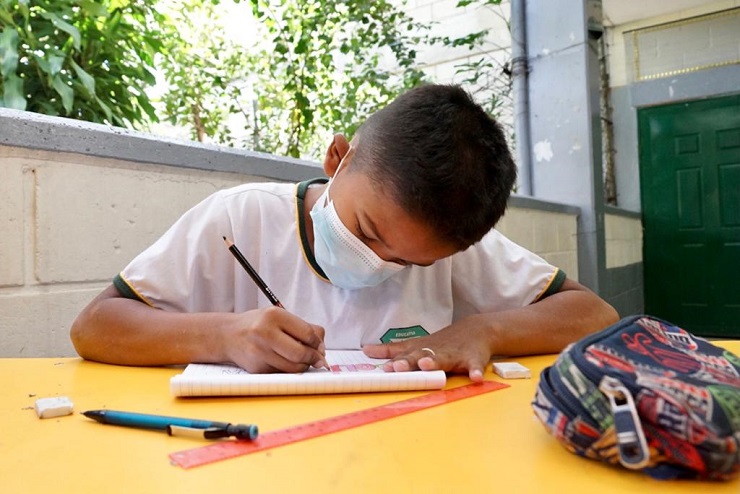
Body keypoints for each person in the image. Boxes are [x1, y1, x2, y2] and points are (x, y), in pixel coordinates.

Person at [71, 84, 618, 382]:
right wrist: (223, 335)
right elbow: (95, 327)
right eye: (367, 230)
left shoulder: (446, 233)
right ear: (339, 158)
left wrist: (486, 331)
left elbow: (593, 315)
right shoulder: (238, 219)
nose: (380, 262)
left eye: (412, 264)